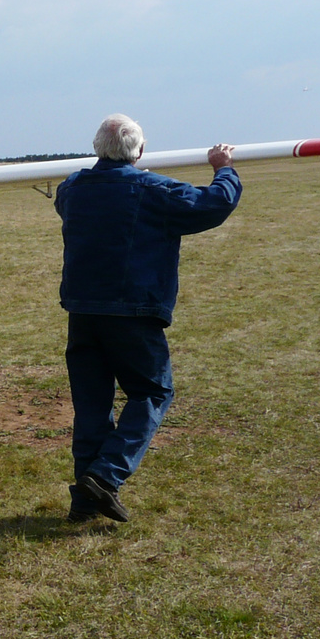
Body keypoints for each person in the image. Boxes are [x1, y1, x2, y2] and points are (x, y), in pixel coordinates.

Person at [56, 115, 240, 523]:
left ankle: (85, 501)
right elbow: (214, 204)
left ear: (97, 147)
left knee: (91, 406)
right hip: (132, 313)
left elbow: (72, 197)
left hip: (83, 311)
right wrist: (223, 169)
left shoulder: (72, 189)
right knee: (153, 392)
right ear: (139, 151)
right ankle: (105, 476)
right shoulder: (154, 189)